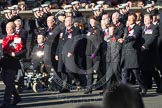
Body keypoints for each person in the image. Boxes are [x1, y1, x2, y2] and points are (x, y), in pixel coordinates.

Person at [118, 13, 146, 95]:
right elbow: (124, 37)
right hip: (126, 54)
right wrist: (121, 40)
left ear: (134, 19)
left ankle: (143, 87)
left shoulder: (138, 28)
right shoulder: (126, 28)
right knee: (124, 73)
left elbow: (134, 37)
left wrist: (125, 40)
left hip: (133, 54)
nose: (129, 20)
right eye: (128, 19)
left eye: (130, 19)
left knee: (136, 73)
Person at [0, 22, 24, 108]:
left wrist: (15, 54)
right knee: (6, 81)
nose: (7, 29)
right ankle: (17, 97)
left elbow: (21, 50)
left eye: (9, 28)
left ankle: (6, 102)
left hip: (12, 62)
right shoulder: (4, 37)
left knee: (9, 83)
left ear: (13, 28)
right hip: (4, 62)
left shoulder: (17, 38)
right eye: (6, 28)